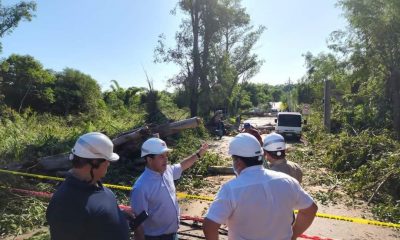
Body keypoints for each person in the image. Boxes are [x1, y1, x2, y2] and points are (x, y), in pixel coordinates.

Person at [203, 133, 317, 240]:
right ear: (262, 156)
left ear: (238, 161)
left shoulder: (231, 189)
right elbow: (311, 209)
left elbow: (209, 226)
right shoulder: (288, 181)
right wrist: (293, 235)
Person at [46, 132, 130, 240]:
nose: (108, 164)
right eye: (107, 160)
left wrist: (120, 213)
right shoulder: (66, 203)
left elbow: (96, 215)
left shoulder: (96, 187)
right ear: (94, 162)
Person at [131, 137, 208, 240]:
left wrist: (198, 154)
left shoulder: (167, 171)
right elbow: (138, 223)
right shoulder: (141, 187)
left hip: (173, 235)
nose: (166, 159)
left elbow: (182, 165)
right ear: (149, 160)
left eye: (166, 155)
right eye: (161, 156)